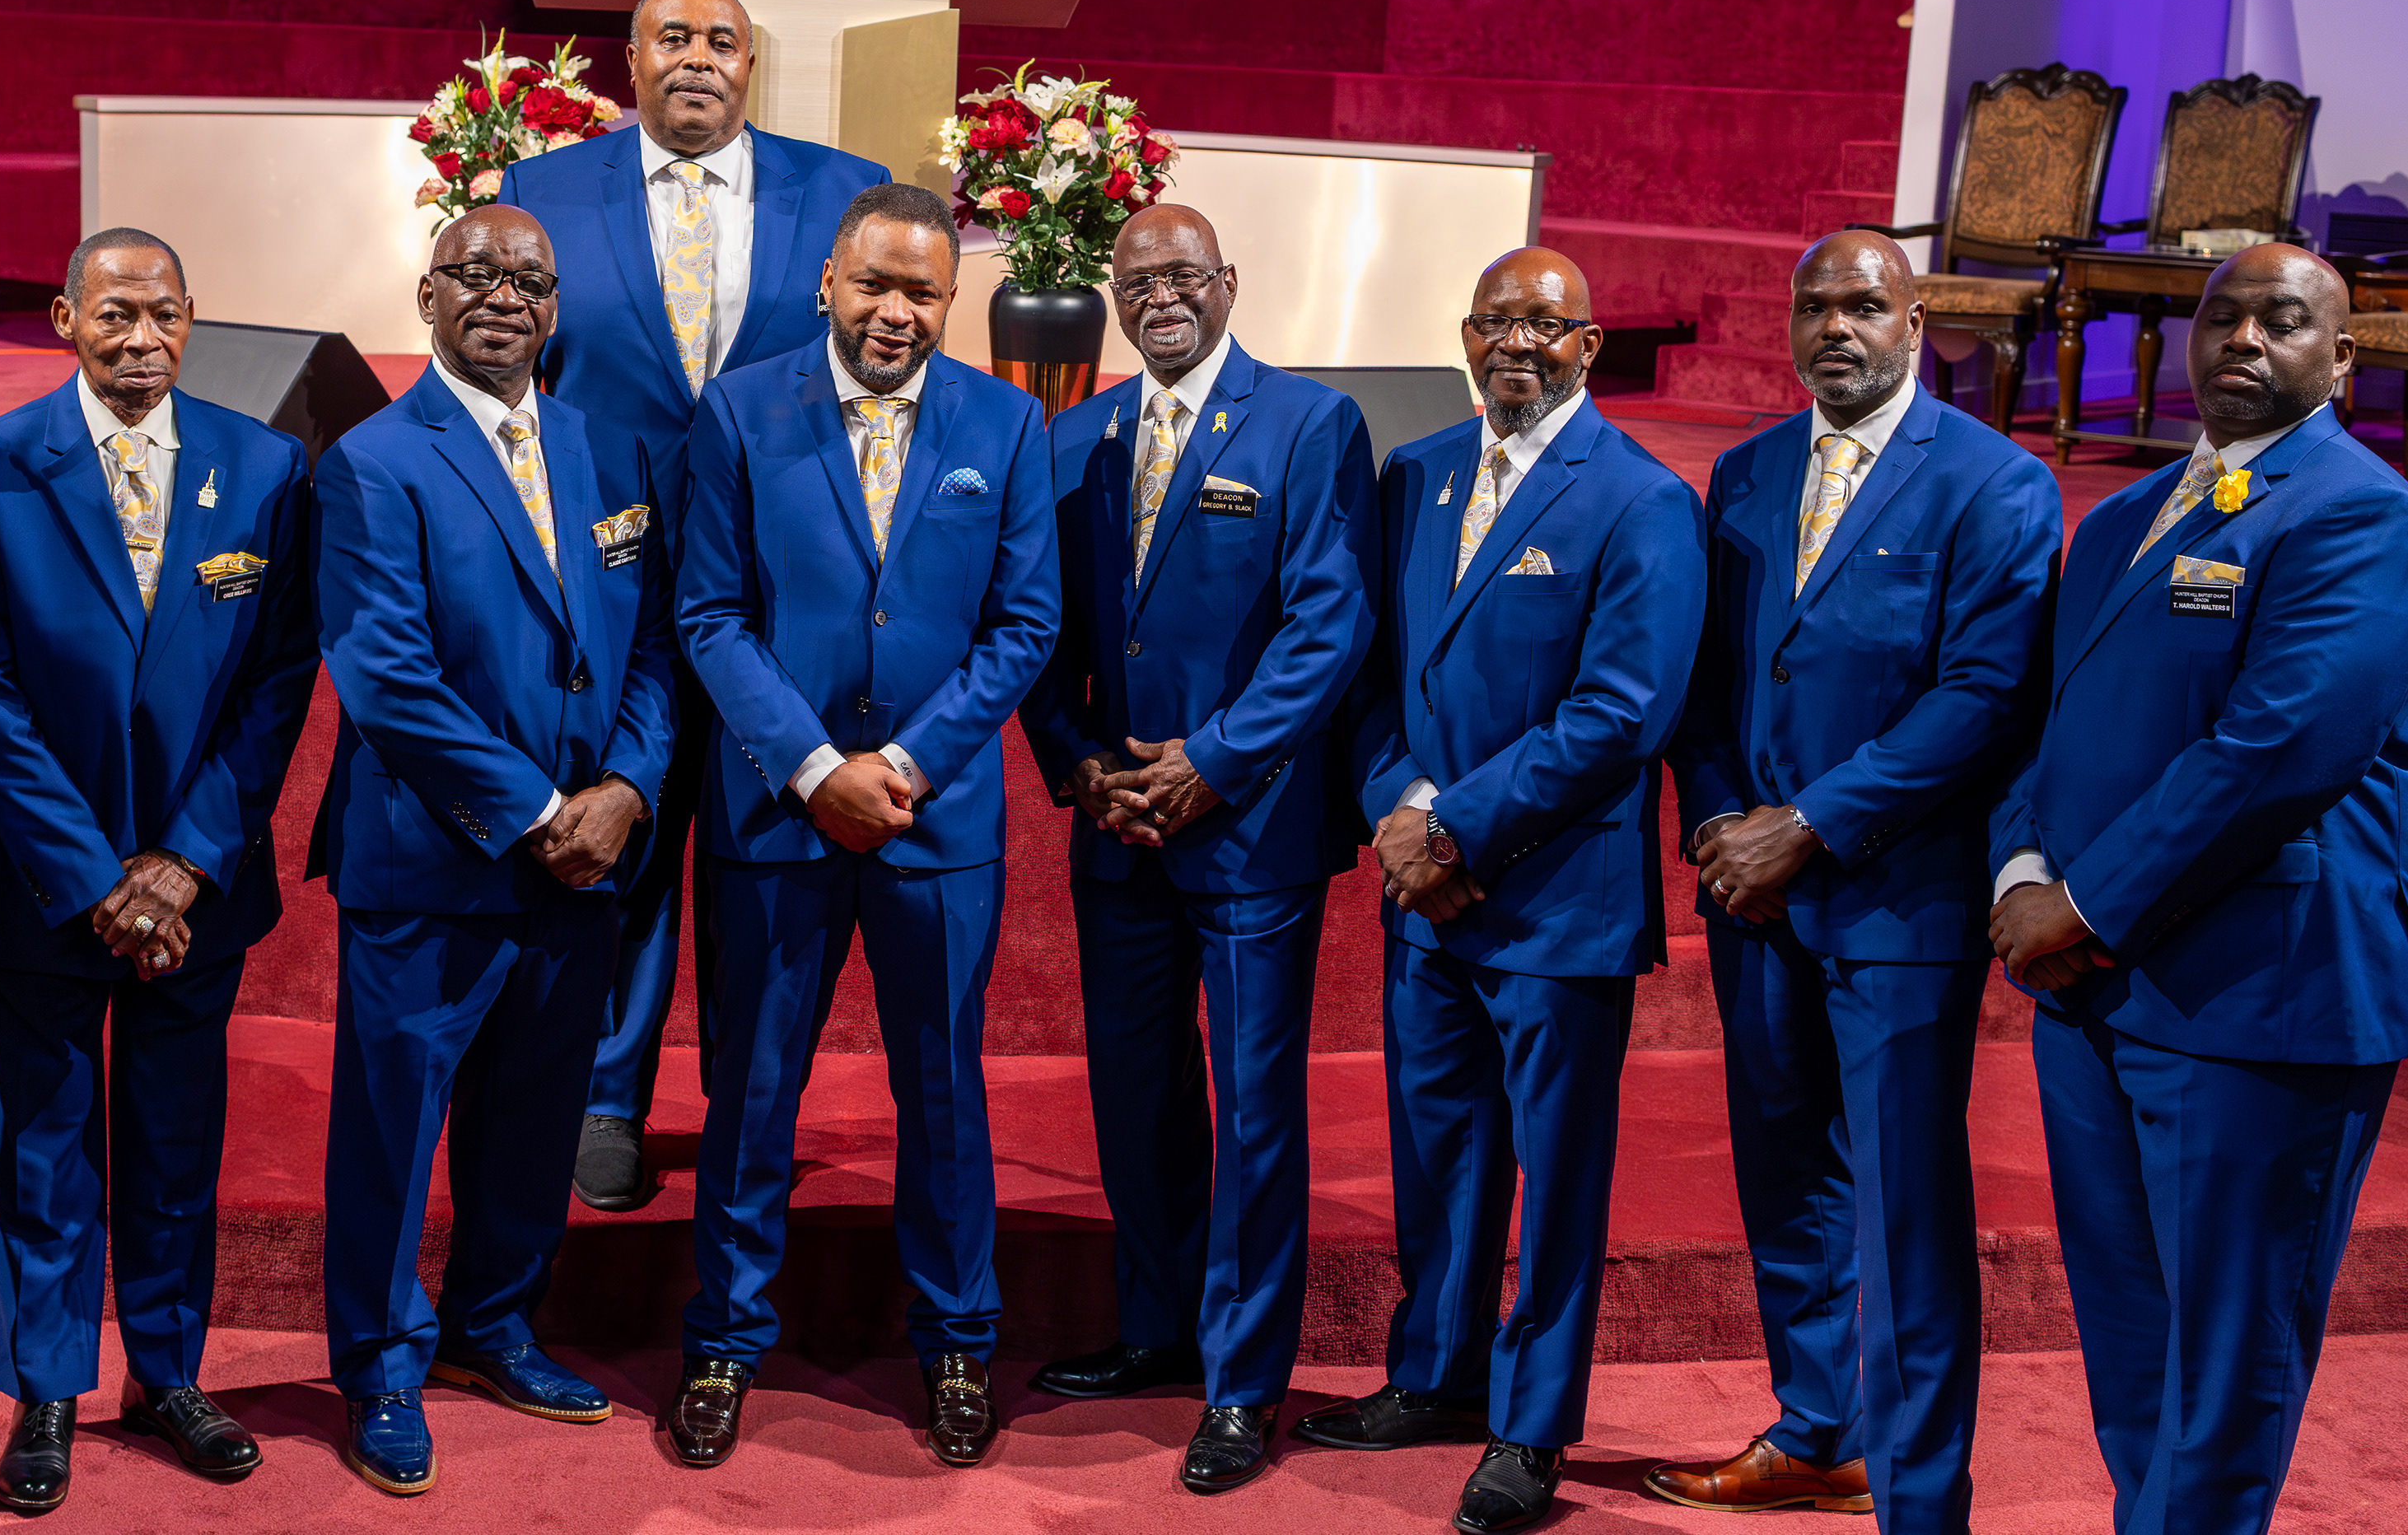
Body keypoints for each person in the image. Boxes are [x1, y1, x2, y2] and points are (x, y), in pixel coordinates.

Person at [1989, 244, 2408, 1535]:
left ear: (2339, 359)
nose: (2243, 338)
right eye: (2222, 315)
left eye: (2280, 321)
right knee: (2132, 1341)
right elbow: (2046, 728)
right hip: (2095, 994)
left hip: (2260, 995)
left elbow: (2276, 747)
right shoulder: (2121, 518)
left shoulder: (2365, 516)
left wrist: (2085, 903)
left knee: (2229, 1362)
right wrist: (2021, 866)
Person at [1647, 230, 2060, 1531]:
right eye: (1814, 305)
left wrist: (1809, 826)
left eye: (1865, 305)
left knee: (1904, 1205)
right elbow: (1711, 678)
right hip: (1754, 898)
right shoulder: (1748, 470)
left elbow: (1984, 698)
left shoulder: (1996, 482)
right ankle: (1816, 1430)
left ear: (1915, 320)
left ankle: (1918, 1492)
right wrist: (1726, 822)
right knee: (1785, 1176)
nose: (1836, 327)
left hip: (1898, 901)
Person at [1296, 246, 1706, 1534]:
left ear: (1590, 344)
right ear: (1466, 336)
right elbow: (1368, 674)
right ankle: (1434, 1374)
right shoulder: (1415, 473)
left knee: (1556, 1177)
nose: (1514, 342)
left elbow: (1623, 712)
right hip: (1426, 896)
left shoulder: (1643, 499)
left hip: (1552, 904)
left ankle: (1531, 1424)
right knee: (1439, 1152)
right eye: (1493, 321)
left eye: (1544, 322)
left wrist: (1453, 827)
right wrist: (1400, 808)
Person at [0, 227, 319, 1514]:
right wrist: (100, 880)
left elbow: (276, 683)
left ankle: (169, 1371)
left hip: (201, 885)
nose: (142, 338)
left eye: (164, 315)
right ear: (64, 320)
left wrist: (187, 860)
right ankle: (44, 1386)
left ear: (192, 319)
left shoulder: (266, 467)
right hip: (44, 888)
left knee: (175, 1140)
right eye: (115, 315)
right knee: (44, 1146)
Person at [668, 181, 1060, 1472]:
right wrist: (811, 766)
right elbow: (710, 615)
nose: (896, 312)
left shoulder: (1006, 421)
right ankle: (725, 1338)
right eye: (875, 284)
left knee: (943, 1089)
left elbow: (1025, 624)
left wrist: (901, 762)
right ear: (827, 281)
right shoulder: (740, 410)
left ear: (953, 300)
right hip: (773, 813)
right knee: (751, 1089)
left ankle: (957, 1337)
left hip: (934, 820)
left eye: (923, 292)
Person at [498, 0, 888, 1211]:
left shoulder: (843, 189)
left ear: (751, 65)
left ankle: (744, 1094)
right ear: (632, 60)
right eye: (673, 37)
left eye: (724, 40)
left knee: (761, 831)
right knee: (627, 816)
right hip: (610, 567)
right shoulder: (546, 189)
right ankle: (607, 1093)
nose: (699, 59)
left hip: (782, 567)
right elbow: (523, 376)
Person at [310, 205, 677, 1497]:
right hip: (437, 859)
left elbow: (650, 645)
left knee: (533, 1114)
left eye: (530, 278)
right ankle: (379, 1365)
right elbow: (385, 676)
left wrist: (628, 785)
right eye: (476, 273)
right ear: (428, 296)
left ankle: (494, 1325)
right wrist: (540, 811)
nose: (505, 296)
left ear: (556, 305)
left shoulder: (608, 446)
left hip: (585, 859)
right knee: (393, 1129)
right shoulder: (372, 460)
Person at [1018, 205, 1379, 1495]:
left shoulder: (1311, 423)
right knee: (1136, 1097)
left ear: (1228, 282)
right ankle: (1159, 1324)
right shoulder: (1073, 436)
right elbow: (1036, 625)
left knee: (1253, 1113)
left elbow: (1329, 624)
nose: (1159, 296)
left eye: (1181, 275)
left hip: (1247, 829)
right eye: (1136, 282)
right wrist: (1077, 760)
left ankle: (1243, 1378)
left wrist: (1211, 762)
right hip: (1118, 824)